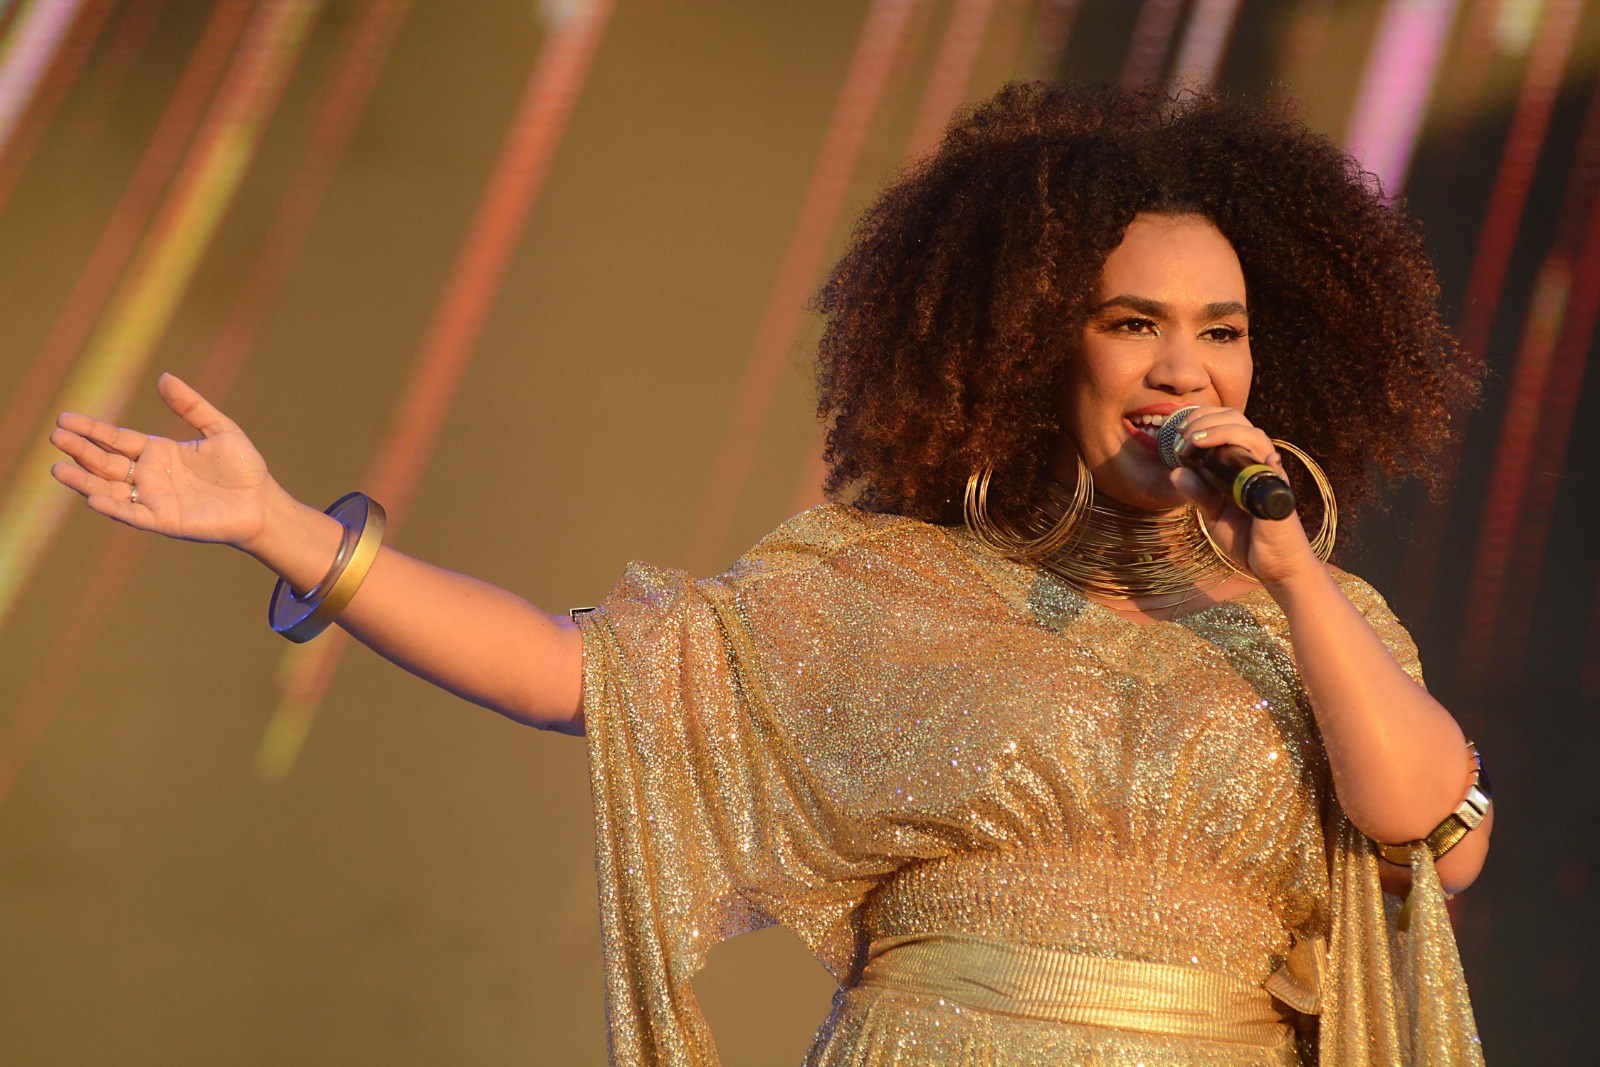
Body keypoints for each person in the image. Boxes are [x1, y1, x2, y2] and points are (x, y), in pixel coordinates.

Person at [49, 83, 1491, 1065]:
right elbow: (574, 673)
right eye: (1135, 323)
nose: (1188, 367)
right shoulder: (893, 588)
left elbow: (1430, 825)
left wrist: (1291, 578)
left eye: (1223, 331)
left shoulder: (1318, 625)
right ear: (1043, 340)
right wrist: (284, 527)